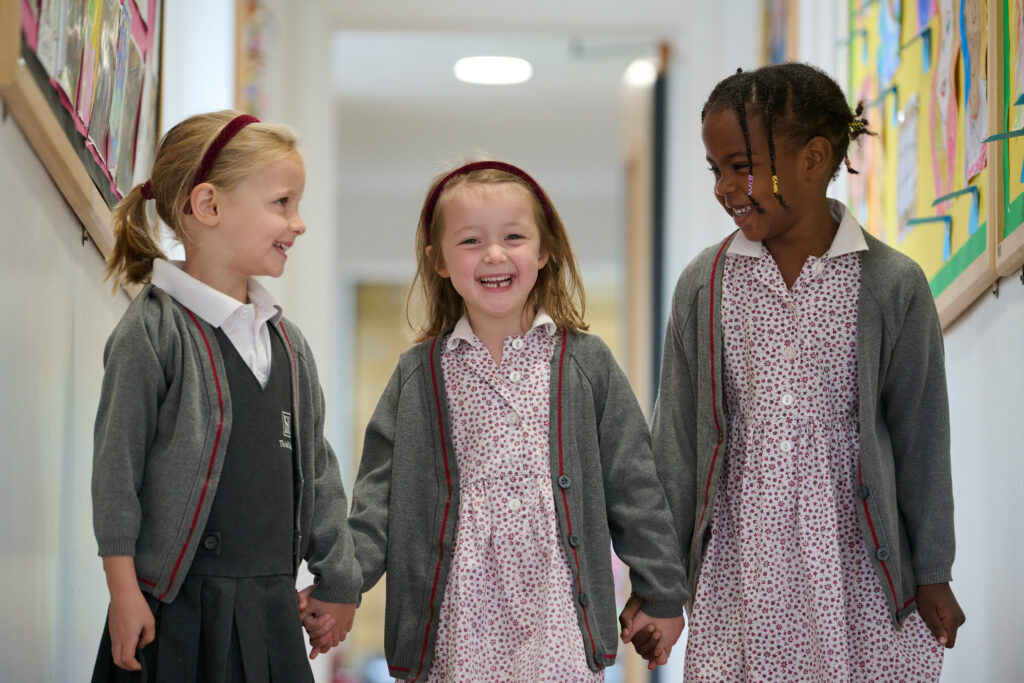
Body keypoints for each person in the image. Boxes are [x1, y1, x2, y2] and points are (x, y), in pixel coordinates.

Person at [623, 62, 966, 680]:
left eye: (741, 165)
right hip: (743, 560)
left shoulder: (891, 283)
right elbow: (674, 442)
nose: (726, 188)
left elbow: (921, 437)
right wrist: (661, 585)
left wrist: (934, 569)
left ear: (813, 158)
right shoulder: (705, 284)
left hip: (858, 560)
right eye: (716, 169)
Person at [344, 160, 686, 681]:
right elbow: (376, 502)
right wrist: (341, 585)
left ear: (544, 249)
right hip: (455, 624)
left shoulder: (586, 364)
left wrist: (660, 588)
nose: (494, 254)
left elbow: (634, 484)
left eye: (513, 236)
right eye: (471, 241)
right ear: (439, 261)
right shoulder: (419, 375)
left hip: (557, 620)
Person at [91, 110, 360, 681]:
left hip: (271, 617)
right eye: (282, 203)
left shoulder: (288, 344)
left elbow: (318, 470)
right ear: (208, 206)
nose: (299, 223)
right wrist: (122, 593)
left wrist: (339, 581)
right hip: (172, 614)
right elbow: (117, 473)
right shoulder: (152, 331)